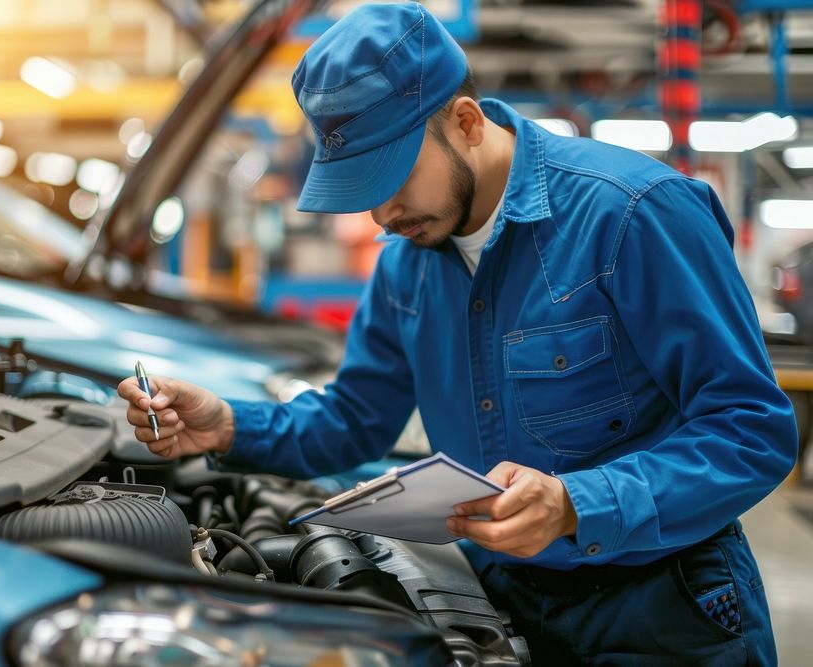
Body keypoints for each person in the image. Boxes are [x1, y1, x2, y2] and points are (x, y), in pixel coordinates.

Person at [119, 3, 796, 664]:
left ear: (466, 121)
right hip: (502, 602)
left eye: (394, 177)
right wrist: (230, 426)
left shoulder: (632, 215)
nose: (382, 212)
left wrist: (574, 504)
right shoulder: (405, 269)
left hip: (661, 614)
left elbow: (751, 429)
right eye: (362, 188)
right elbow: (355, 420)